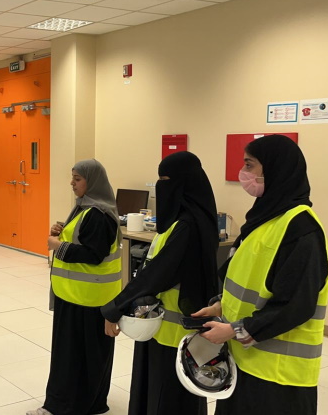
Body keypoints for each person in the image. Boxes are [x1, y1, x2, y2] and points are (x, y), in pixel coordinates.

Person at [193, 135, 328, 415]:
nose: (243, 173)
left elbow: (296, 304)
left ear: (275, 169)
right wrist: (221, 305)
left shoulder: (301, 229)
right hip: (245, 360)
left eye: (250, 165)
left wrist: (234, 330)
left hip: (279, 375)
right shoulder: (265, 217)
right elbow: (249, 278)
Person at [100, 151, 219, 415]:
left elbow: (155, 275)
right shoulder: (187, 221)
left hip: (172, 332)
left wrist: (115, 307)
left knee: (167, 395)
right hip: (159, 326)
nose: (161, 186)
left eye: (166, 180)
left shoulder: (187, 226)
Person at [28, 159, 122, 415]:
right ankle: (90, 403)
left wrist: (57, 246)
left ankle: (61, 406)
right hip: (81, 296)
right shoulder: (86, 209)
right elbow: (82, 239)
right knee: (89, 355)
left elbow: (93, 254)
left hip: (85, 298)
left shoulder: (98, 215)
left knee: (71, 356)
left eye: (77, 178)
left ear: (93, 182)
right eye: (73, 177)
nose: (72, 183)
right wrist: (61, 231)